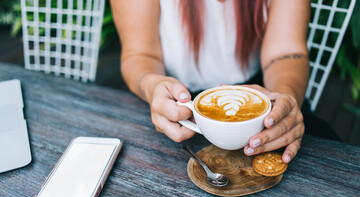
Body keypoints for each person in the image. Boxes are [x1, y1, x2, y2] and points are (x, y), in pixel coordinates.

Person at [110, 0, 311, 163]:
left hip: (264, 95)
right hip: (178, 104)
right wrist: (151, 85)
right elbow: (139, 54)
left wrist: (284, 104)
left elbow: (286, 53)